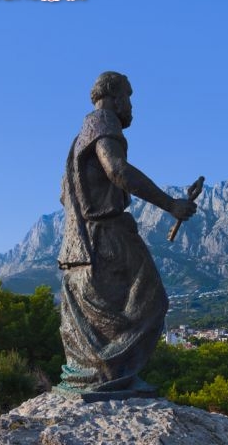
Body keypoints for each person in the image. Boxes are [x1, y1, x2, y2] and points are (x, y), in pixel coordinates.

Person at [56, 71, 196, 398]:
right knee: (152, 301)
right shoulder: (103, 123)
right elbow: (117, 170)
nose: (132, 106)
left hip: (79, 246)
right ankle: (112, 375)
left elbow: (64, 195)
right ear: (116, 96)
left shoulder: (77, 140)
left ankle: (98, 374)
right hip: (107, 237)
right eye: (130, 97)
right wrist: (169, 204)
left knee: (117, 313)